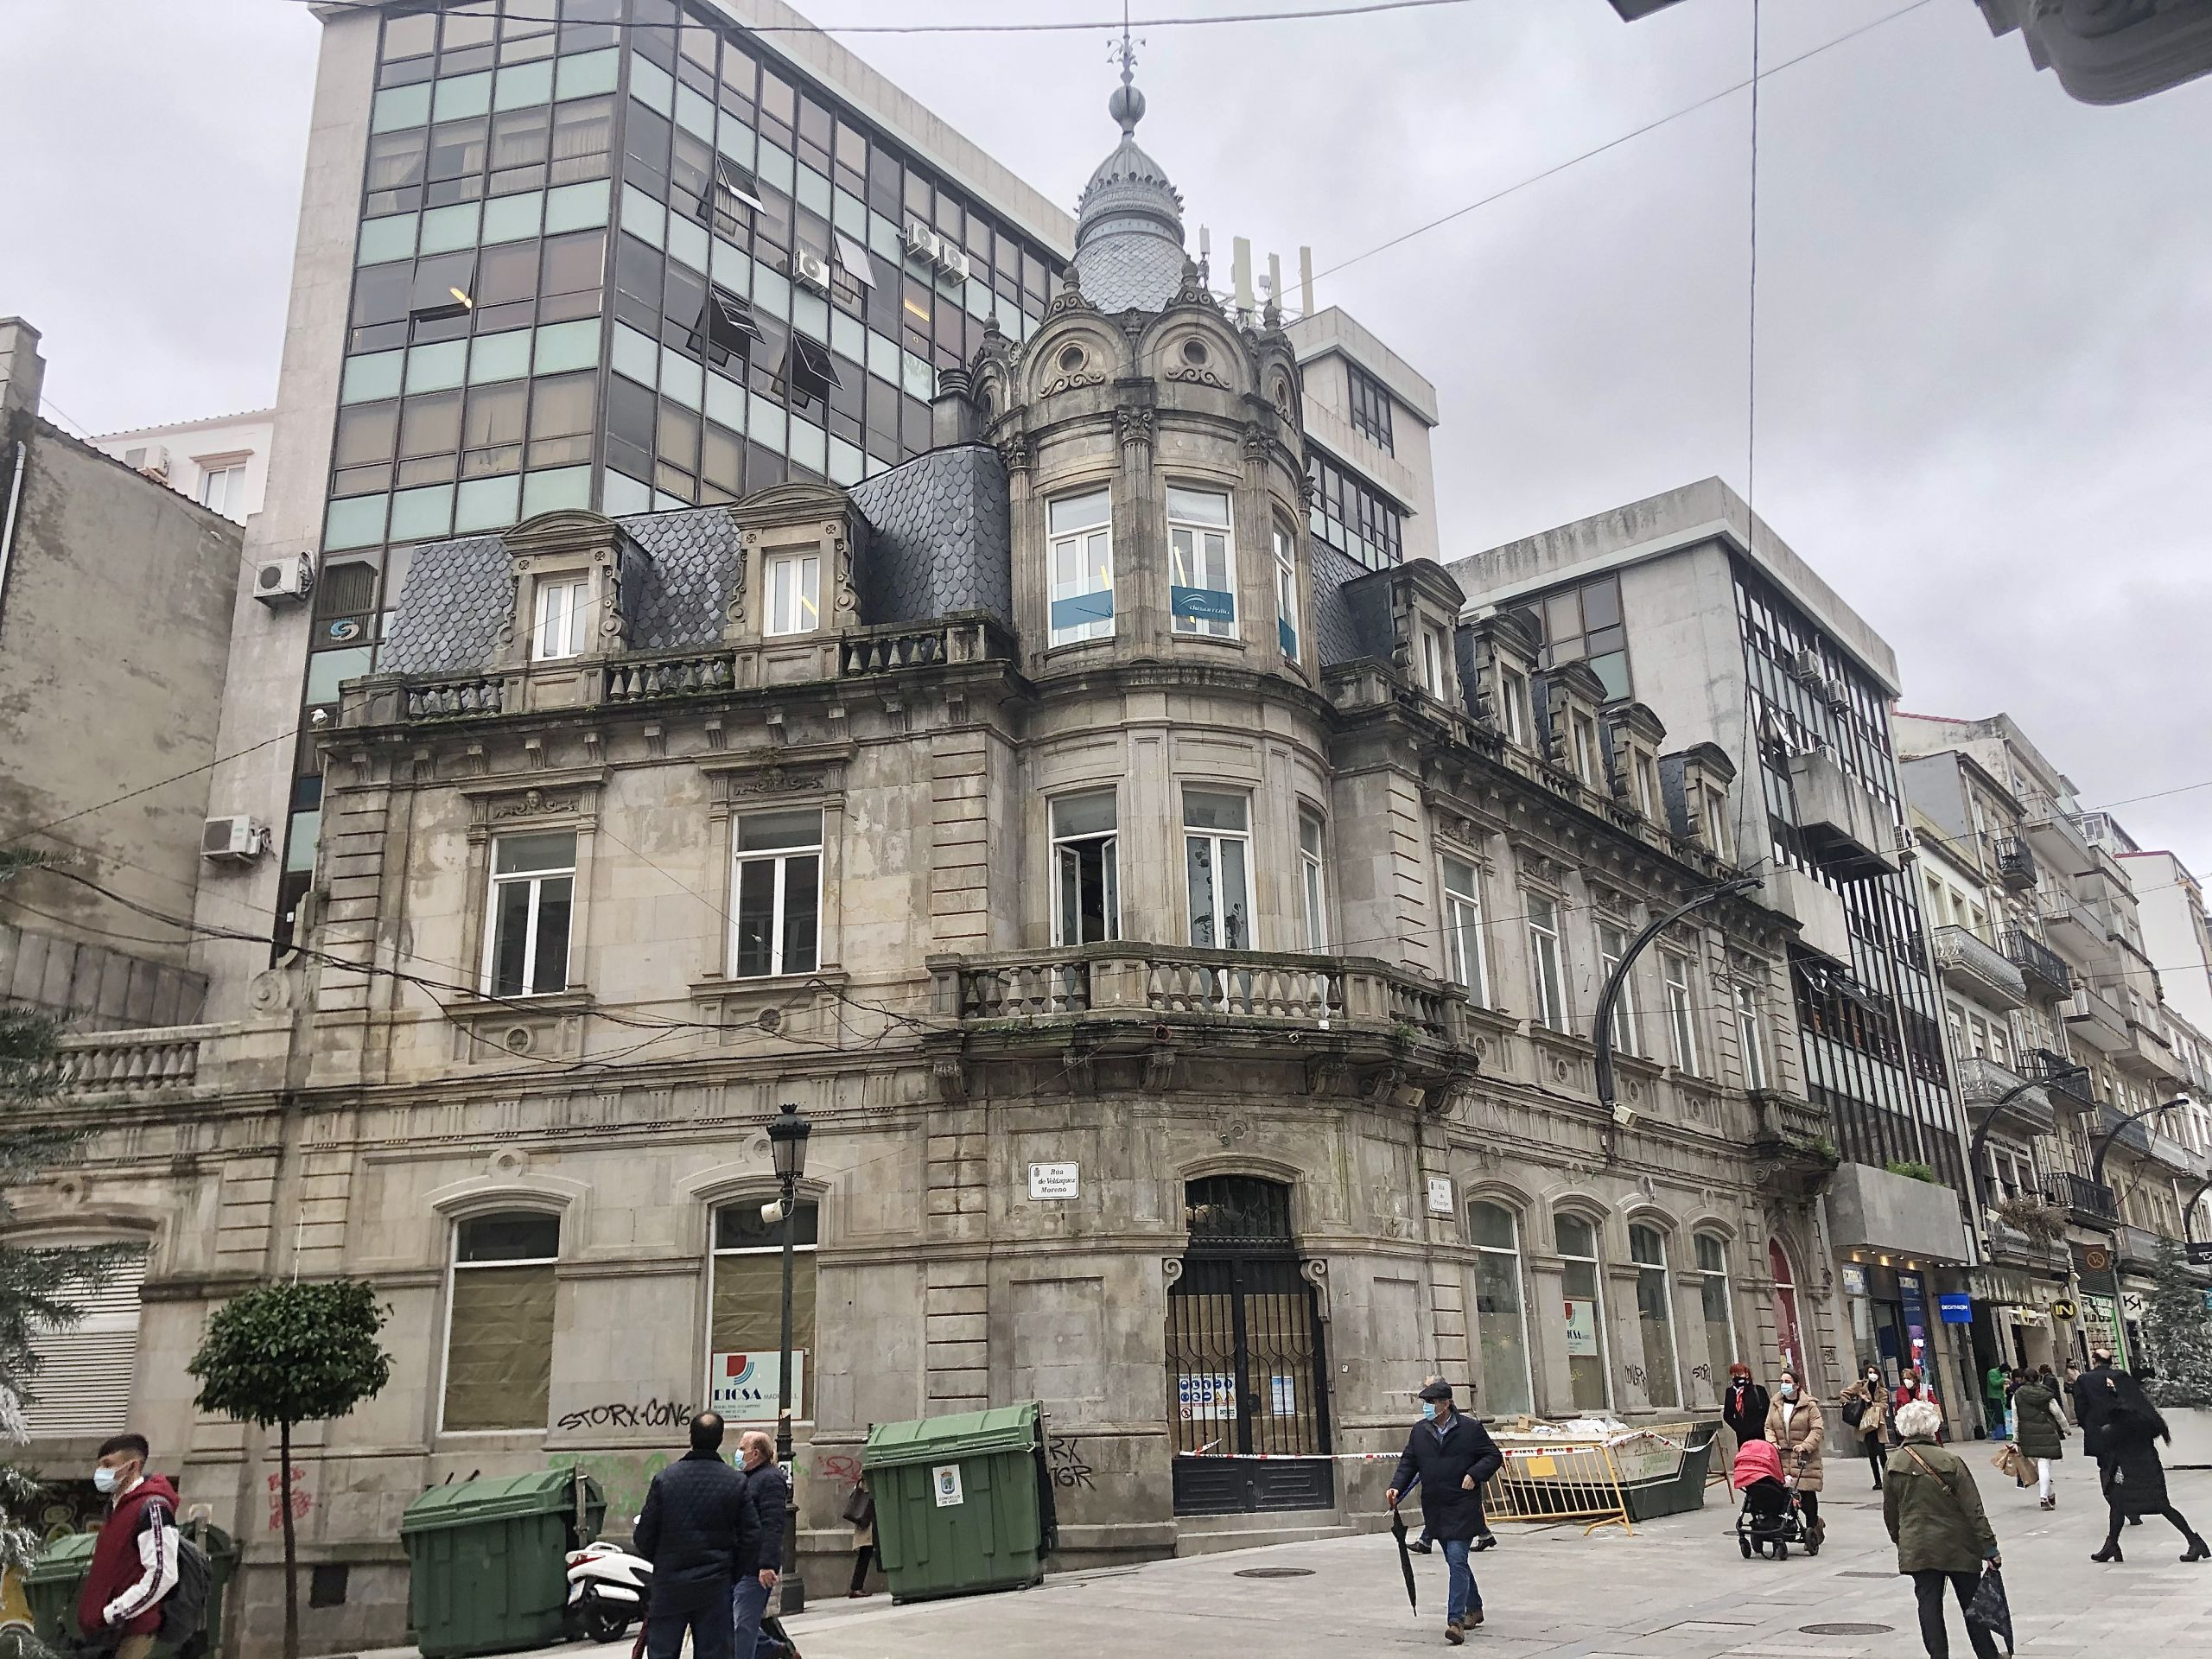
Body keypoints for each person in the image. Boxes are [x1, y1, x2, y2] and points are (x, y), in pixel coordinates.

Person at [1387, 1380, 1503, 1647]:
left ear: (1446, 1403)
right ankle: (1475, 1608)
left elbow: (1493, 1456)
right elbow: (1409, 1463)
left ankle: (1456, 1622)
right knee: (1455, 1561)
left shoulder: (1470, 1429)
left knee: (1458, 1558)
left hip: (1462, 1504)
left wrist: (1475, 1474)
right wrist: (1396, 1487)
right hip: (1436, 1506)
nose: (1427, 1407)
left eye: (1431, 1403)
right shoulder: (1420, 1431)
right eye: (1425, 1403)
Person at [632, 1413, 758, 1659]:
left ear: (691, 1437)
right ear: (720, 1439)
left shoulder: (665, 1479)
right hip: (715, 1585)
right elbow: (752, 1536)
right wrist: (732, 1571)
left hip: (670, 1585)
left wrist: (663, 1563)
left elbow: (644, 1535)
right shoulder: (735, 1482)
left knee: (662, 1652)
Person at [1884, 1400, 2002, 1659]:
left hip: (1919, 1546)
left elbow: (1890, 1513)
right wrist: (1989, 1548)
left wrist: (1902, 1541)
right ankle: (1987, 1654)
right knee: (1972, 1604)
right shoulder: (1951, 1460)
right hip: (1959, 1545)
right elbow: (1974, 1509)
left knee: (1928, 1606)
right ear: (1933, 1427)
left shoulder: (1894, 1463)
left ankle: (1938, 1656)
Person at [2086, 1369, 2209, 1564]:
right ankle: (2111, 1545)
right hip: (2138, 1463)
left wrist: (2105, 1430)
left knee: (2160, 1505)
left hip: (2136, 1466)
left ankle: (2194, 1540)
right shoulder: (2139, 1408)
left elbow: (2114, 1434)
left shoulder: (2126, 1412)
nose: (2108, 1387)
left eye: (2111, 1384)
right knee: (2118, 1504)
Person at [76, 1433, 180, 1659]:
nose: (100, 1473)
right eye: (99, 1465)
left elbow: (163, 1574)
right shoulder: (116, 1507)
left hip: (133, 1633)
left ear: (133, 1466)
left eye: (108, 1465)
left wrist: (112, 1613)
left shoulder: (152, 1508)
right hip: (106, 1633)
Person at [732, 1430, 789, 1659]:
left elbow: (773, 1524)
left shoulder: (770, 1480)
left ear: (755, 1453)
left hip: (755, 1568)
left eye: (742, 1449)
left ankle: (773, 1650)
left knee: (742, 1627)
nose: (738, 1453)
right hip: (739, 1566)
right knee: (734, 1622)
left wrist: (767, 1564)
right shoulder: (747, 1478)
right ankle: (775, 1650)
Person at [1765, 1368, 1826, 1548]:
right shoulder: (1775, 1403)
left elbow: (1817, 1429)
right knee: (1784, 1495)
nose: (1783, 1385)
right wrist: (1772, 1443)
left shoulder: (1809, 1406)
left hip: (1804, 1457)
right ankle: (1789, 1526)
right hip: (1782, 1456)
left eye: (1787, 1382)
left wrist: (1805, 1445)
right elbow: (1769, 1427)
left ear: (1797, 1385)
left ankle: (1813, 1526)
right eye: (1782, 1382)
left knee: (1806, 1494)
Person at [2010, 1368, 2068, 1510]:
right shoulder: (2045, 1393)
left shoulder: (2017, 1395)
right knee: (2044, 1465)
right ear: (2038, 1378)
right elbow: (2057, 1412)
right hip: (2046, 1431)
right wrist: (2066, 1428)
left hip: (2027, 1434)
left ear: (2023, 1379)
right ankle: (2044, 1497)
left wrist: (2016, 1438)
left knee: (2038, 1467)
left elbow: (2015, 1418)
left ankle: (2049, 1494)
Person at [1841, 1363, 1891, 1490]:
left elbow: (1884, 1406)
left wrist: (1870, 1402)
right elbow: (1844, 1393)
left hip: (1878, 1423)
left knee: (1882, 1452)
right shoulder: (1861, 1385)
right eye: (1870, 1372)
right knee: (1871, 1453)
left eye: (1874, 1372)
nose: (1872, 1375)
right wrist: (1847, 1404)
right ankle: (1877, 1481)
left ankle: (1888, 1480)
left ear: (1878, 1375)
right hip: (1865, 1422)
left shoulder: (1883, 1390)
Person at [1721, 1363, 1770, 1452]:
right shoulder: (1730, 1392)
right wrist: (1739, 1428)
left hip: (1759, 1435)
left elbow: (1767, 1411)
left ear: (1747, 1375)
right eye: (1734, 1374)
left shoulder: (1758, 1390)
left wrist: (1759, 1427)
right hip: (1742, 1437)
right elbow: (1727, 1415)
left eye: (1740, 1374)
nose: (1737, 1377)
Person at [843, 1476, 876, 1599]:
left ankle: (856, 1586)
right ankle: (856, 1587)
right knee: (865, 1551)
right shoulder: (866, 1482)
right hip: (867, 1520)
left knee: (866, 1552)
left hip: (868, 1520)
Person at [1983, 1363, 2010, 1440]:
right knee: (1998, 1415)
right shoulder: (1992, 1372)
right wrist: (2003, 1380)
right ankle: (1999, 1433)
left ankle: (2005, 1432)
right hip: (1994, 1396)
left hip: (2002, 1396)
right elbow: (1994, 1383)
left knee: (2004, 1414)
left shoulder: (2002, 1375)